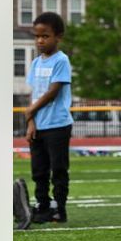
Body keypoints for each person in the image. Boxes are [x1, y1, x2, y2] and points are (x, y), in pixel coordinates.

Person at [25, 11, 73, 225]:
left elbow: (52, 91)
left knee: (58, 169)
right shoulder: (36, 63)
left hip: (58, 125)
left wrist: (30, 110)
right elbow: (33, 92)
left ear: (58, 37)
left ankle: (59, 209)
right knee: (39, 170)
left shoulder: (61, 60)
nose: (40, 40)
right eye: (37, 36)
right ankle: (43, 206)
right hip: (39, 125)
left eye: (45, 36)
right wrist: (30, 121)